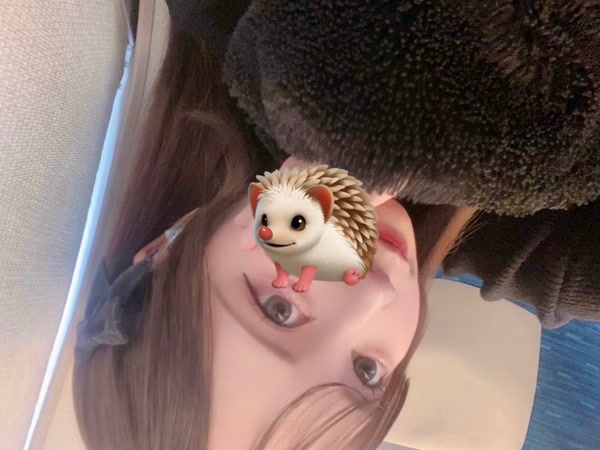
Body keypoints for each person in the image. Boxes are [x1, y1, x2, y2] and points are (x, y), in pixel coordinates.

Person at [73, 1, 600, 449]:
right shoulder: (526, 246)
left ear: (165, 249)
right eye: (366, 372)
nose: (375, 292)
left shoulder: (223, 20)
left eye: (279, 310)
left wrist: (349, 113)